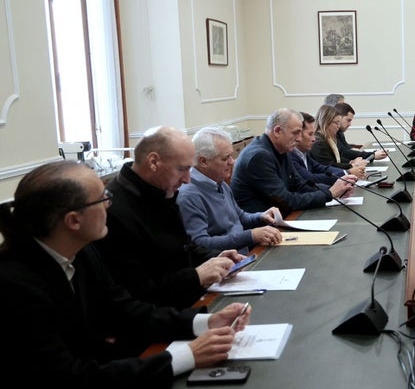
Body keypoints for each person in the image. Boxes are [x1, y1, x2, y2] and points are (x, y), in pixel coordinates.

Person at [0, 160, 251, 389]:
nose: (110, 204)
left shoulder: (82, 251)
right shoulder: (15, 284)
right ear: (73, 221)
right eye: (102, 198)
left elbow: (125, 310)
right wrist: (187, 356)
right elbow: (68, 376)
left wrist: (206, 323)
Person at [94, 126, 245, 310]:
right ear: (154, 162)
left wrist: (214, 257)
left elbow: (184, 246)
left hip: (188, 306)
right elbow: (137, 291)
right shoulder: (115, 211)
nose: (188, 180)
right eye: (182, 169)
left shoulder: (161, 191)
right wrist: (196, 276)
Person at [230, 108, 355, 216]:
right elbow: (286, 200)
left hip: (282, 218)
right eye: (295, 133)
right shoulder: (259, 156)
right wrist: (329, 193)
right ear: (277, 131)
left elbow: (300, 185)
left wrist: (337, 189)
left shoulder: (281, 149)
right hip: (264, 229)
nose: (299, 139)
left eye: (301, 133)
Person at [177, 127, 282, 255]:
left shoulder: (219, 181)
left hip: (243, 258)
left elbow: (240, 217)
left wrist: (261, 216)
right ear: (203, 161)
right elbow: (201, 244)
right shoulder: (189, 195)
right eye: (225, 158)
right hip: (224, 267)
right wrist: (251, 236)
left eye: (231, 156)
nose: (232, 162)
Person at [290, 112, 358, 185]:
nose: (314, 139)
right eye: (310, 134)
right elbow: (311, 179)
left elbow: (321, 168)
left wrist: (348, 173)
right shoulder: (291, 156)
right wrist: (347, 172)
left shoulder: (304, 153)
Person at [310, 104, 368, 177]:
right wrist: (352, 165)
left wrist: (351, 162)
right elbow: (330, 166)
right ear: (326, 122)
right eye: (336, 122)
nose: (338, 126)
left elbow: (338, 159)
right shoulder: (319, 143)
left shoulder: (328, 138)